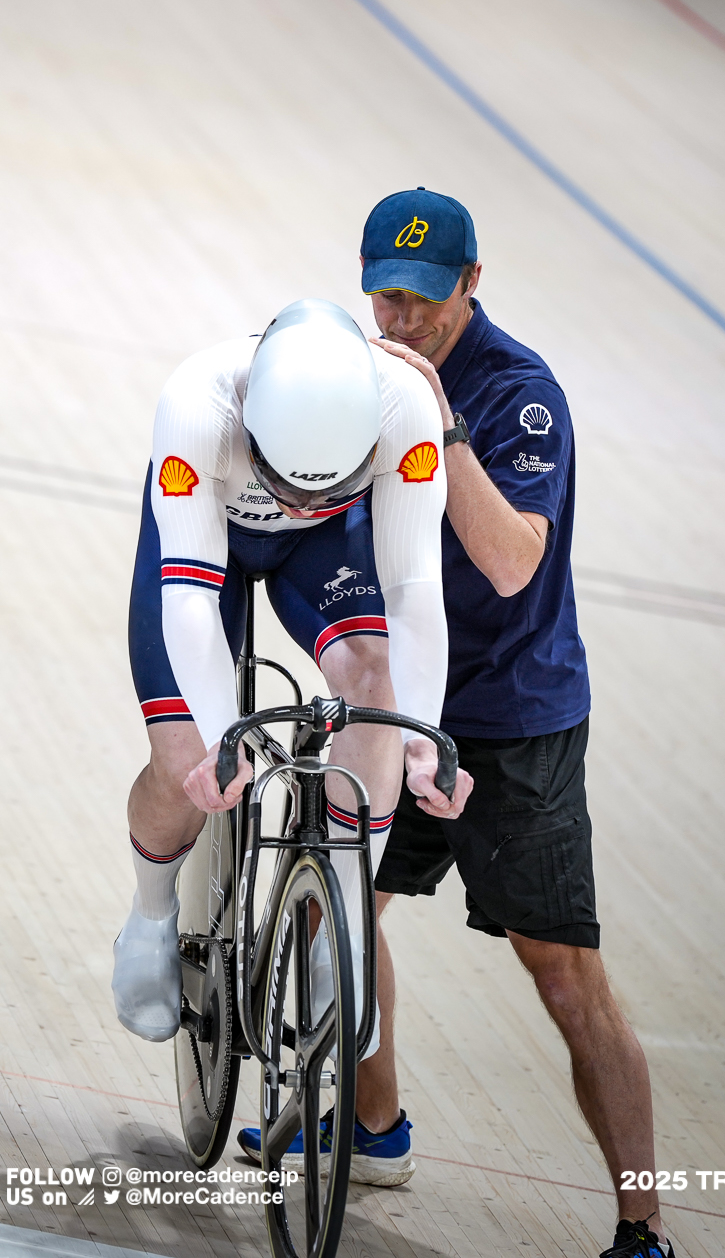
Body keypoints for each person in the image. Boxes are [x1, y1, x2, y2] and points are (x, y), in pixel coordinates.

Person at [356, 188, 672, 1258]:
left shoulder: (519, 396)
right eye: (385, 297)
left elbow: (507, 558)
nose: (402, 321)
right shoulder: (365, 365)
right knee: (332, 914)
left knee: (560, 973)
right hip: (403, 702)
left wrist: (435, 417)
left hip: (510, 723)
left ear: (472, 284)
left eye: (424, 300)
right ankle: (372, 1128)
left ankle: (642, 1227)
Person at [112, 295, 471, 1184]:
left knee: (378, 688)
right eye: (291, 478)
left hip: (325, 550)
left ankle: (338, 917)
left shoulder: (405, 409)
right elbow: (189, 605)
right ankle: (154, 909)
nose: (301, 495)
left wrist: (420, 736)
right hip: (209, 544)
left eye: (323, 481)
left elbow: (416, 592)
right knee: (183, 756)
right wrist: (224, 741)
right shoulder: (198, 402)